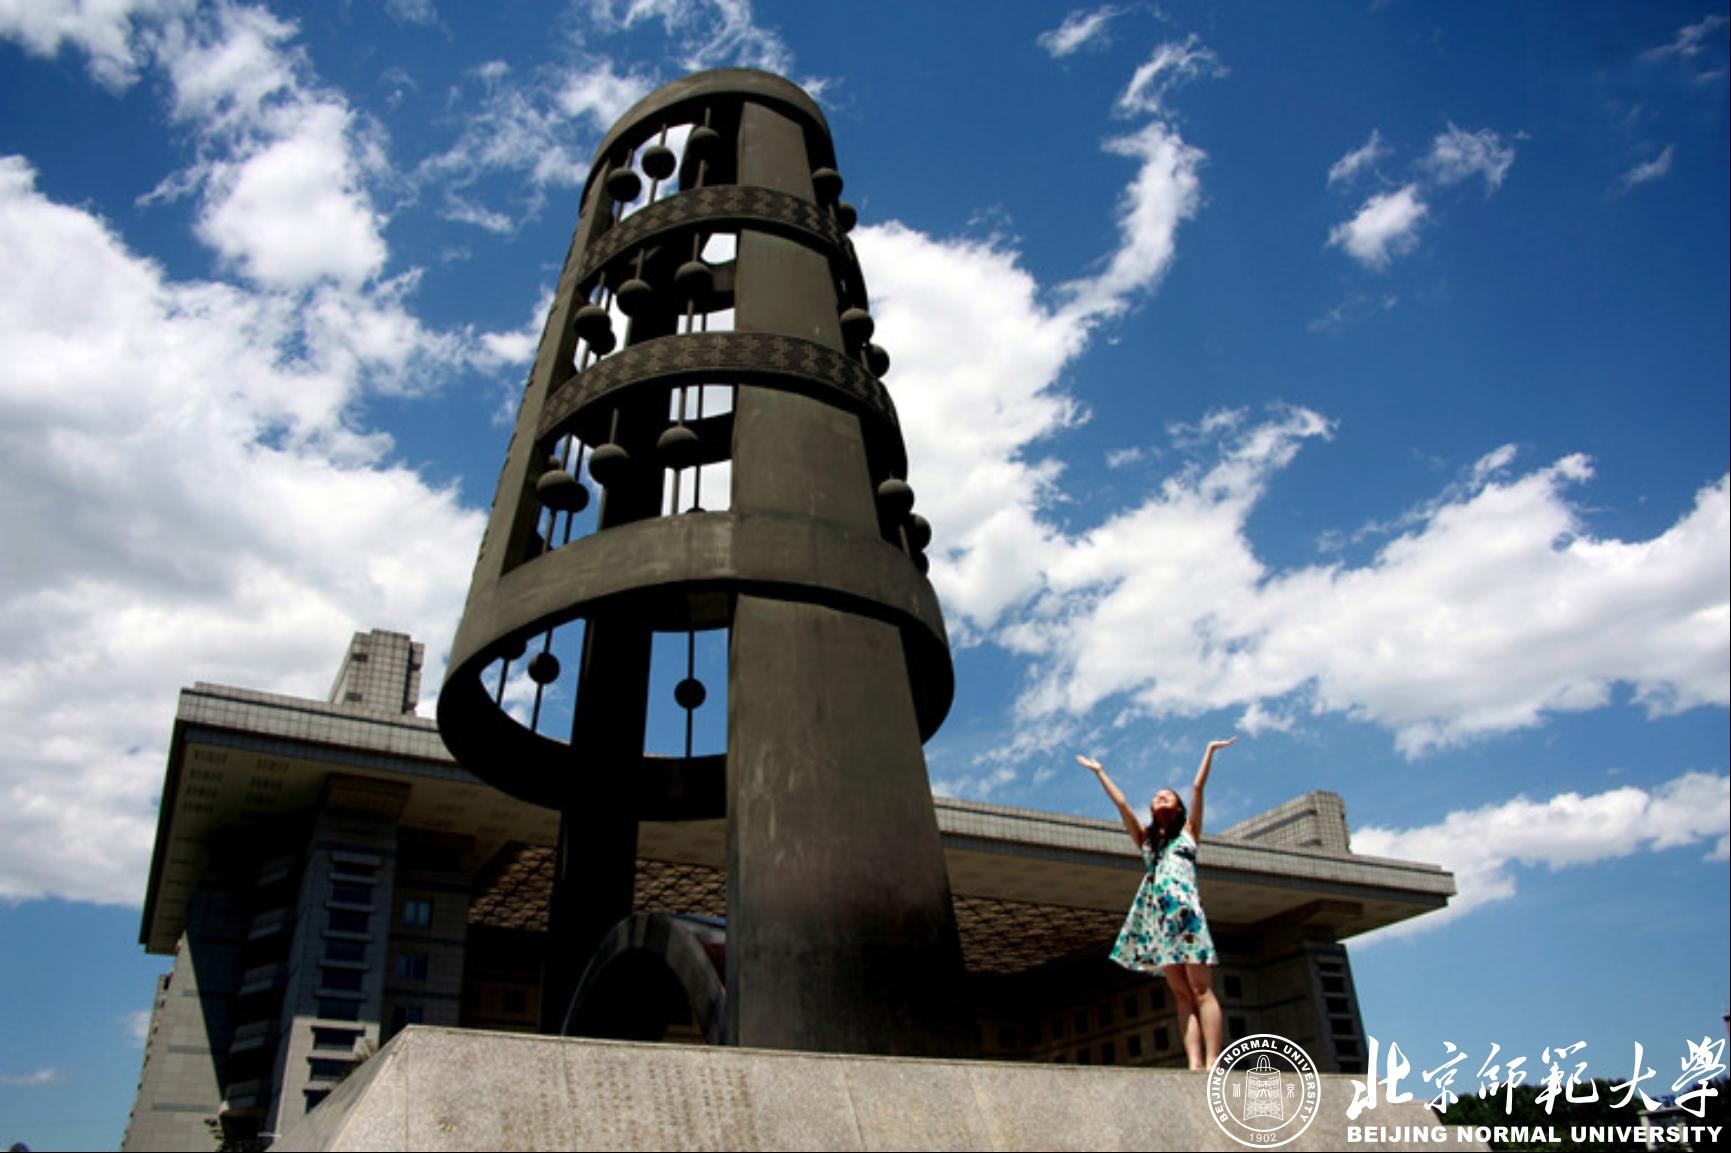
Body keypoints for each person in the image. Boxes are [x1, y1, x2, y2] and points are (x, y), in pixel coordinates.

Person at [1077, 738, 1235, 1071]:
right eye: (1155, 797)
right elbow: (1121, 806)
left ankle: (1213, 1060)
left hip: (1187, 917)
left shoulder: (1189, 833)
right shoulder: (1148, 842)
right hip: (1160, 922)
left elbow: (1197, 787)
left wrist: (1208, 751)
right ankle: (1194, 1063)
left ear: (1178, 808)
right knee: (1181, 994)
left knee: (1201, 987)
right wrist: (1099, 773)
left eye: (1166, 796)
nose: (1159, 798)